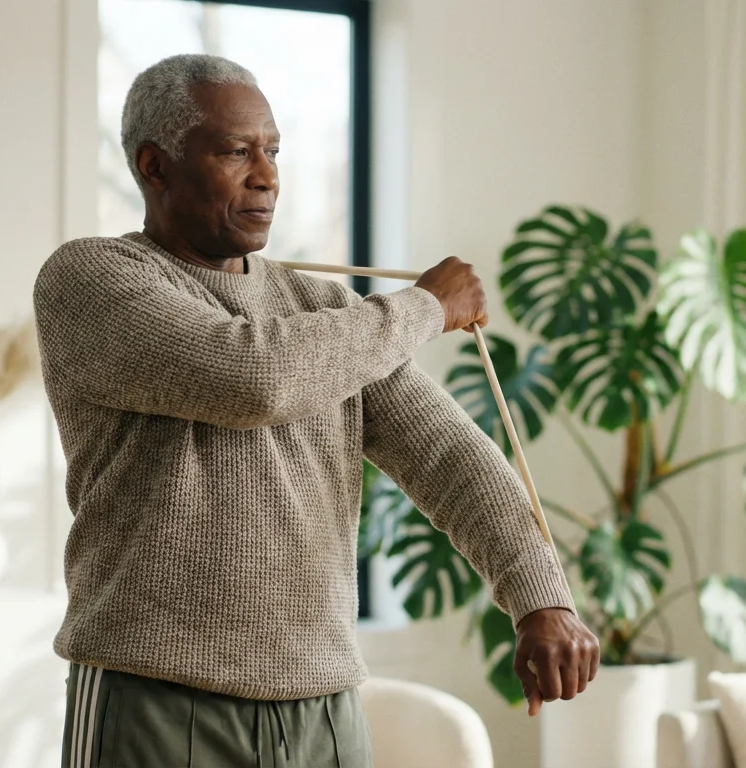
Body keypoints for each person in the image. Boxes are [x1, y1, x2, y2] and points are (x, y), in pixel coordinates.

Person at [34, 53, 599, 768]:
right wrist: (426, 307)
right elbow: (251, 375)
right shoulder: (90, 279)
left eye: (272, 150)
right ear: (154, 166)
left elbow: (451, 457)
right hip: (154, 699)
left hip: (323, 709)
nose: (266, 175)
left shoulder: (326, 311)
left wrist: (541, 600)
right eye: (236, 151)